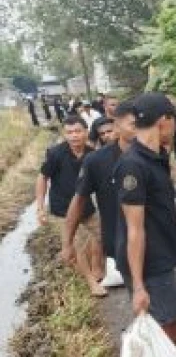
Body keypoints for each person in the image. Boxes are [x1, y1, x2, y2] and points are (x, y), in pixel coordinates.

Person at [114, 92, 176, 345]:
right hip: (148, 262)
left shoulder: (158, 157)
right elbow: (134, 230)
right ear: (163, 121)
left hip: (162, 254)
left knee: (171, 321)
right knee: (166, 328)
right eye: (174, 119)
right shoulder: (132, 165)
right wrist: (139, 285)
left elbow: (168, 212)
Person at [64, 102, 138, 294]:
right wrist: (67, 243)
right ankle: (94, 277)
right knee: (140, 295)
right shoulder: (95, 161)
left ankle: (99, 270)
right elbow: (78, 199)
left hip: (156, 239)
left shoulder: (151, 153)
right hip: (121, 240)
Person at [35, 116, 101, 286]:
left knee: (102, 235)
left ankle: (96, 265)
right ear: (65, 135)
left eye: (78, 131)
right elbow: (43, 178)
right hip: (62, 208)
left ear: (86, 132)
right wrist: (40, 208)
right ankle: (91, 282)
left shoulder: (92, 155)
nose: (74, 136)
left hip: (86, 206)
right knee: (76, 243)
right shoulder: (56, 154)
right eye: (69, 132)